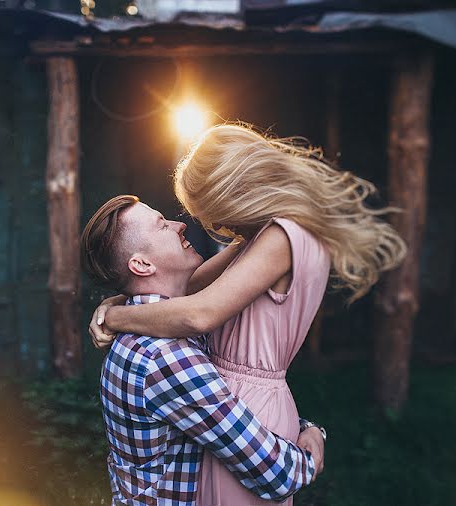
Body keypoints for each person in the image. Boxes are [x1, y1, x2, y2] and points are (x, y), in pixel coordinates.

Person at [91, 124, 406, 505]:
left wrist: (116, 315)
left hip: (244, 420)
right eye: (168, 223)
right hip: (242, 423)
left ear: (230, 191)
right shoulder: (261, 239)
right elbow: (194, 299)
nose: (209, 226)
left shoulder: (279, 236)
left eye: (210, 213)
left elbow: (199, 310)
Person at [81, 195, 326, 506]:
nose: (180, 224)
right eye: (162, 225)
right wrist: (312, 439)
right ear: (141, 264)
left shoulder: (145, 335)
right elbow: (278, 474)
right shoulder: (168, 358)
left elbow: (217, 413)